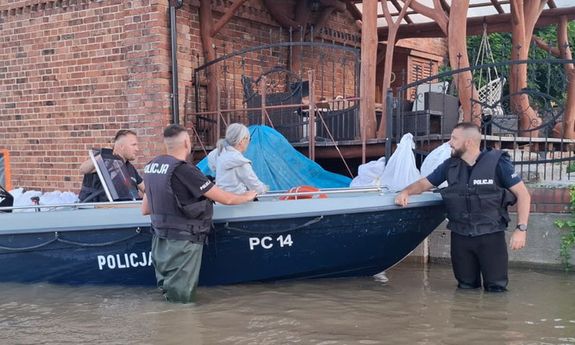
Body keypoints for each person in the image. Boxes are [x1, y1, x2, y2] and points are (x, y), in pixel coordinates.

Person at [395, 122, 531, 292]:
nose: (449, 142)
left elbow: (523, 194)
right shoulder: (450, 165)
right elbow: (424, 184)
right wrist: (406, 192)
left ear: (468, 142)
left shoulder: (498, 163)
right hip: (461, 238)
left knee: (496, 289)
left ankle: (494, 318)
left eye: (454, 138)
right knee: (465, 288)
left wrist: (521, 229)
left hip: (490, 237)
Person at [141, 124, 257, 303]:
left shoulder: (151, 167)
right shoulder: (184, 170)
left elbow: (146, 209)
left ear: (166, 144)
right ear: (187, 142)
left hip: (160, 241)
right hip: (182, 243)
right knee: (182, 301)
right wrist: (248, 196)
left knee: (169, 296)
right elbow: (226, 199)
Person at [78, 129, 145, 202]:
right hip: (99, 210)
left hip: (125, 208)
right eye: (133, 145)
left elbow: (145, 189)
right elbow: (82, 169)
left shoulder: (130, 168)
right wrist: (102, 156)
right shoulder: (105, 161)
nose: (137, 149)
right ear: (121, 146)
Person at [207, 123, 268, 195]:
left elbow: (212, 166)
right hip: (238, 202)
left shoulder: (218, 153)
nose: (249, 142)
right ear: (241, 141)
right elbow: (256, 187)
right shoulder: (240, 162)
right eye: (249, 139)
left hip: (220, 200)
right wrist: (265, 188)